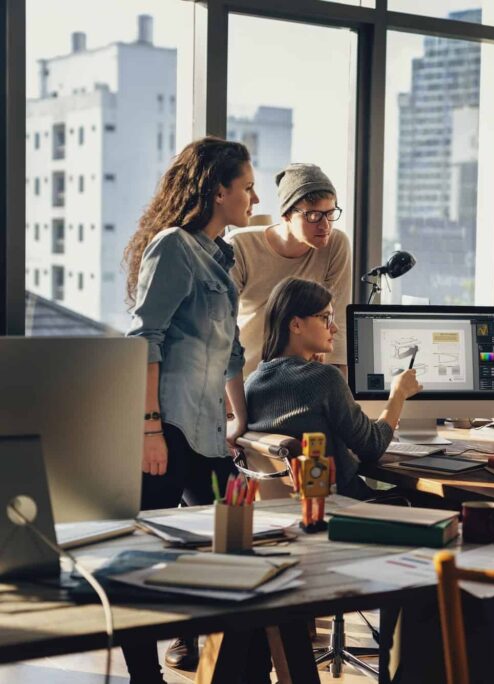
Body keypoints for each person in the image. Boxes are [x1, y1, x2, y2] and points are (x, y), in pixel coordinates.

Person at [122, 137, 257, 680]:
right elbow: (145, 339)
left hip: (207, 428)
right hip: (169, 425)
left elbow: (232, 354)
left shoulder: (222, 254)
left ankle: (233, 667)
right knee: (140, 558)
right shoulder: (173, 247)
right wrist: (148, 428)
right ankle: (143, 673)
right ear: (217, 189)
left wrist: (239, 418)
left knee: (233, 544)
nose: (251, 197)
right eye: (245, 187)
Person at [245, 277, 422, 499]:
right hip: (346, 507)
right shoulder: (325, 378)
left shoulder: (252, 381)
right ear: (296, 324)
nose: (335, 328)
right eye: (326, 318)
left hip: (292, 512)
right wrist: (398, 393)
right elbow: (372, 447)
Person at [227, 163, 352, 378]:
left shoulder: (336, 244)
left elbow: (337, 322)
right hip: (246, 377)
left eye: (330, 213)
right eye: (313, 216)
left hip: (301, 381)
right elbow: (223, 329)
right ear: (286, 214)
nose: (325, 226)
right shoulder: (240, 246)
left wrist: (339, 395)